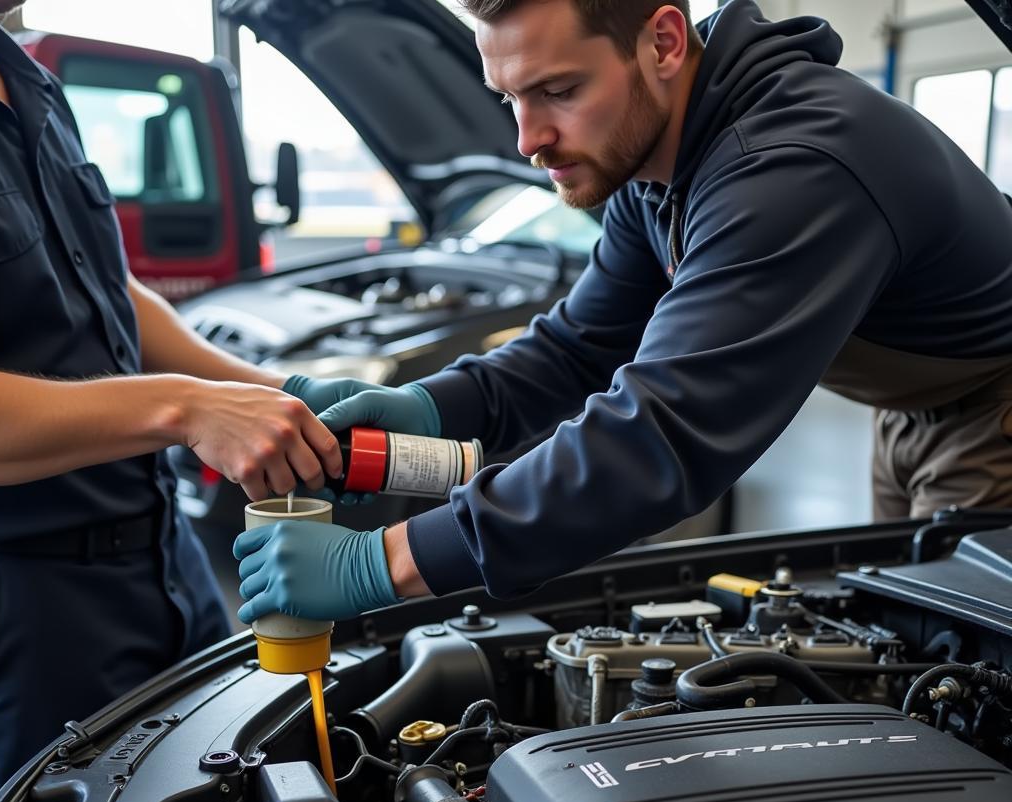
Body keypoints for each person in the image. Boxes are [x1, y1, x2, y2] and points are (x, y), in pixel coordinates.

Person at [233, 0, 1012, 631]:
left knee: (958, 675)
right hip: (912, 412)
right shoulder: (661, 154)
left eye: (559, 92)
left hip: (996, 412)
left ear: (664, 42)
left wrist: (387, 562)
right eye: (509, 98)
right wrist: (428, 407)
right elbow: (581, 346)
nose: (527, 139)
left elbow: (658, 439)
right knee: (897, 628)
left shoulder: (791, 167)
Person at [0, 7, 356, 794]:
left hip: (163, 561)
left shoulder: (30, 84)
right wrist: (186, 409)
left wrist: (278, 393)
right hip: (27, 604)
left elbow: (106, 292)